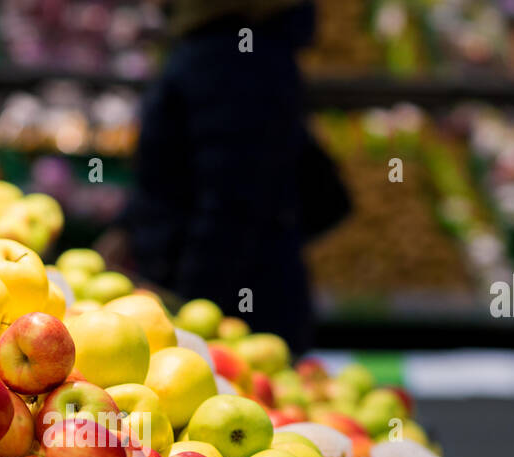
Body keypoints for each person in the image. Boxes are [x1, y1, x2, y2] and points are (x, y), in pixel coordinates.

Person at [122, 0, 348, 353]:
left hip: (238, 315)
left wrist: (190, 306)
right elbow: (188, 170)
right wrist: (127, 227)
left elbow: (232, 202)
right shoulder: (229, 50)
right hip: (245, 296)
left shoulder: (231, 57)